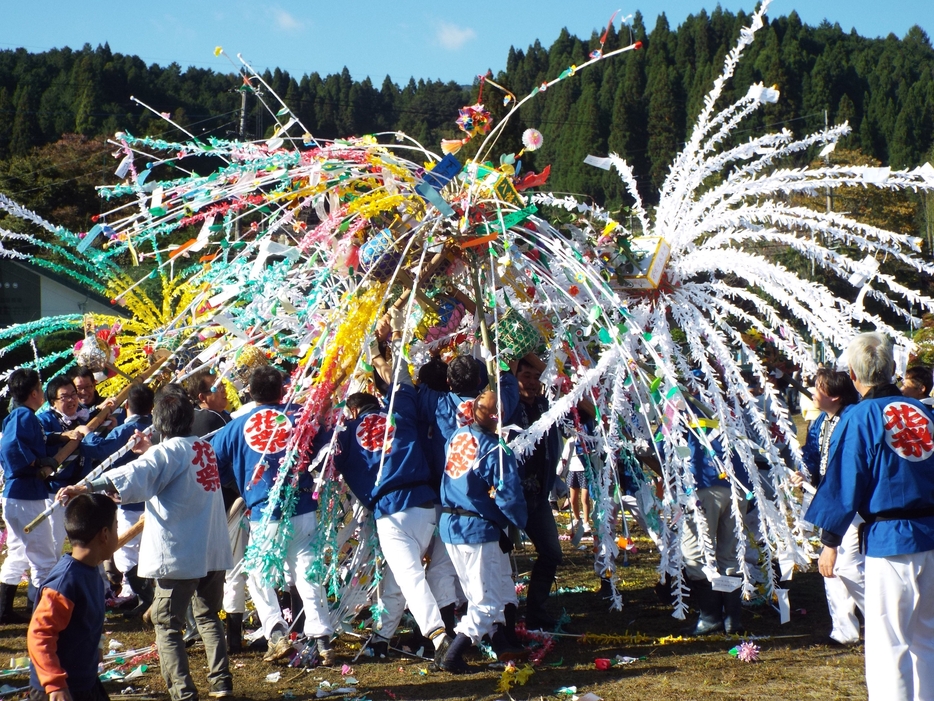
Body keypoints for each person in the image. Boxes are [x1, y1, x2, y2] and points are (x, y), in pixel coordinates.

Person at [58, 386, 234, 701]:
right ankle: (221, 683)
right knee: (209, 618)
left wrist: (85, 486)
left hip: (180, 551)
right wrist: (150, 450)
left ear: (160, 423)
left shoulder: (166, 453)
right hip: (211, 548)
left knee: (168, 626)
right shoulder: (201, 449)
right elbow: (161, 471)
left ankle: (183, 692)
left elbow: (134, 475)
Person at [806, 332, 934, 699]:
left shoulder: (860, 417)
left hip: (891, 540)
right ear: (894, 368)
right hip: (929, 534)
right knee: (928, 638)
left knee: (888, 643)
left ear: (852, 374)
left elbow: (846, 479)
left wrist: (830, 541)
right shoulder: (926, 411)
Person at [211, 367, 334, 665]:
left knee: (258, 573)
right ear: (282, 391)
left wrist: (236, 480)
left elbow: (212, 462)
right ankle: (322, 639)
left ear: (251, 394)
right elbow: (327, 448)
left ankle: (277, 633)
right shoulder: (300, 420)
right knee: (307, 572)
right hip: (302, 506)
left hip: (265, 511)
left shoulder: (236, 426)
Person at [438, 390, 528, 673]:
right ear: (496, 417)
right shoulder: (495, 449)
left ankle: (502, 643)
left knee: (487, 591)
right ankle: (453, 656)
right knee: (486, 604)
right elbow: (509, 494)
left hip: (452, 526)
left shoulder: (456, 437)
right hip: (477, 529)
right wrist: (521, 522)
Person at [793, 369, 863, 644]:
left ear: (833, 395)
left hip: (852, 504)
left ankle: (885, 619)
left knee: (846, 565)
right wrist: (804, 473)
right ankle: (843, 631)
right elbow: (812, 456)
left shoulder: (852, 420)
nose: (812, 393)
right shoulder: (821, 420)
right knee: (831, 568)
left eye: (818, 388)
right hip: (829, 500)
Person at [27, 493, 118, 701]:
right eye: (116, 527)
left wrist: (98, 645)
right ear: (105, 534)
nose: (117, 533)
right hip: (58, 690)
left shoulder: (91, 570)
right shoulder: (64, 584)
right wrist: (54, 684)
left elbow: (89, 618)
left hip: (85, 682)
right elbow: (40, 636)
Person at [80, 383, 156, 616]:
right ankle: (143, 594)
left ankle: (143, 596)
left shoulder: (128, 430)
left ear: (127, 405)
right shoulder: (155, 428)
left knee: (126, 552)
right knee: (146, 548)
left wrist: (86, 433)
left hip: (128, 499)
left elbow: (100, 449)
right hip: (151, 498)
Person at [0, 368, 68, 623]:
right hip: (25, 496)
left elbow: (33, 439)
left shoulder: (19, 416)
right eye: (40, 388)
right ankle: (42, 614)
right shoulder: (23, 416)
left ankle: (4, 610)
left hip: (17, 497)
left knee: (18, 551)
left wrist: (61, 437)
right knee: (43, 556)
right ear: (34, 393)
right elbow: (10, 447)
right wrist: (36, 464)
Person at [508, 357, 565, 630]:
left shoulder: (545, 406)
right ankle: (501, 617)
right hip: (509, 495)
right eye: (525, 376)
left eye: (534, 377)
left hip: (539, 495)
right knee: (499, 558)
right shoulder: (507, 405)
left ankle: (536, 610)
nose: (531, 382)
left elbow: (557, 379)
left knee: (552, 552)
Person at [680, 421, 751, 635]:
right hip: (738, 483)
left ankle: (710, 617)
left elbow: (662, 442)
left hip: (702, 485)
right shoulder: (725, 398)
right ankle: (731, 619)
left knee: (695, 554)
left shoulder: (677, 403)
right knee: (730, 554)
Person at [37, 377, 95, 556]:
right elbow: (40, 439)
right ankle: (44, 583)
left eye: (73, 395)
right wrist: (62, 436)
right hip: (55, 491)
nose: (71, 400)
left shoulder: (85, 416)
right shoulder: (43, 420)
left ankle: (98, 582)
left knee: (90, 540)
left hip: (82, 488)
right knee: (53, 543)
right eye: (64, 397)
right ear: (53, 401)